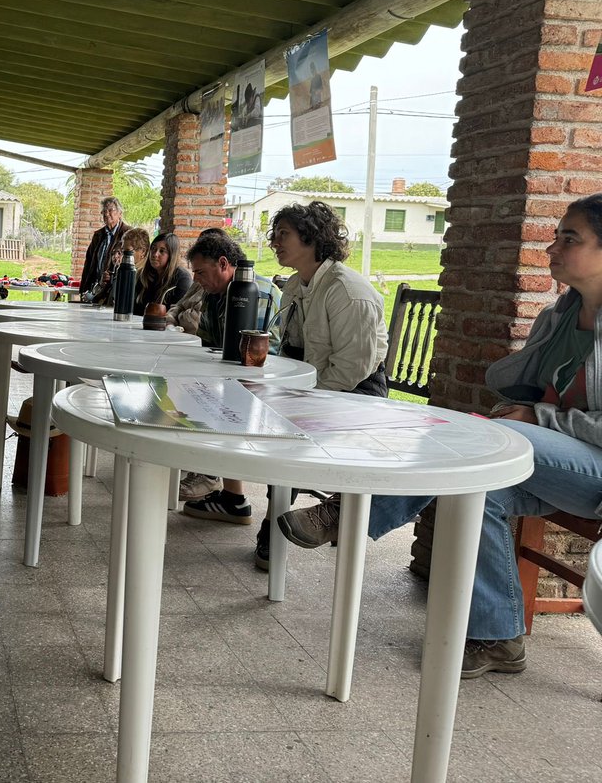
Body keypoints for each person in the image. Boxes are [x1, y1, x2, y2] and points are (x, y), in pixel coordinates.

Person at [281, 194, 602, 678]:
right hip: (546, 457)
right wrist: (526, 413)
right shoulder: (559, 316)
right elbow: (533, 386)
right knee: (472, 486)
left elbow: (548, 414)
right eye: (555, 234)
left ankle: (348, 512)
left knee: (474, 438)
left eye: (569, 238)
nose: (551, 246)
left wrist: (538, 420)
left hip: (592, 468)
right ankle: (499, 638)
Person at [257, 201, 388, 569]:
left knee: (288, 431)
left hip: (358, 391)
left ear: (311, 238)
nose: (275, 243)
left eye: (284, 235)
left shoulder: (347, 290)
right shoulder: (297, 285)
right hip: (314, 384)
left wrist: (302, 403)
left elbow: (352, 367)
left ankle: (274, 525)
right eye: (275, 235)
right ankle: (274, 511)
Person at [176, 230, 282, 513]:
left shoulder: (256, 292)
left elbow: (261, 357)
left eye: (200, 272)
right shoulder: (214, 295)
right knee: (185, 388)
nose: (196, 280)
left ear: (223, 263)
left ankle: (217, 481)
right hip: (235, 377)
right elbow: (210, 345)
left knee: (216, 397)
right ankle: (229, 493)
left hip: (273, 382)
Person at [79, 196, 131, 298]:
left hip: (114, 290)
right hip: (96, 288)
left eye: (111, 210)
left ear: (120, 213)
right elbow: (89, 264)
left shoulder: (128, 234)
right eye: (104, 211)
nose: (107, 214)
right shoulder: (98, 235)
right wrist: (83, 289)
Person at [134, 232, 191, 316]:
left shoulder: (182, 278)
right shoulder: (143, 275)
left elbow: (177, 314)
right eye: (153, 249)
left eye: (162, 251)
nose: (155, 254)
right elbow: (135, 309)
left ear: (171, 255)